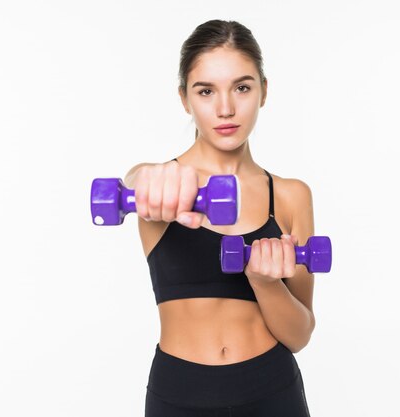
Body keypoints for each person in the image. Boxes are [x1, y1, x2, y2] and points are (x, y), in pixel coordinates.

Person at [124, 19, 315, 416]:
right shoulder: (165, 187)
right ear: (184, 99)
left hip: (272, 390)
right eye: (206, 91)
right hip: (180, 395)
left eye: (242, 87)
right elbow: (140, 179)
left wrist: (265, 282)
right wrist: (142, 176)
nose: (225, 108)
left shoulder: (291, 195)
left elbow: (299, 335)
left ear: (263, 92)